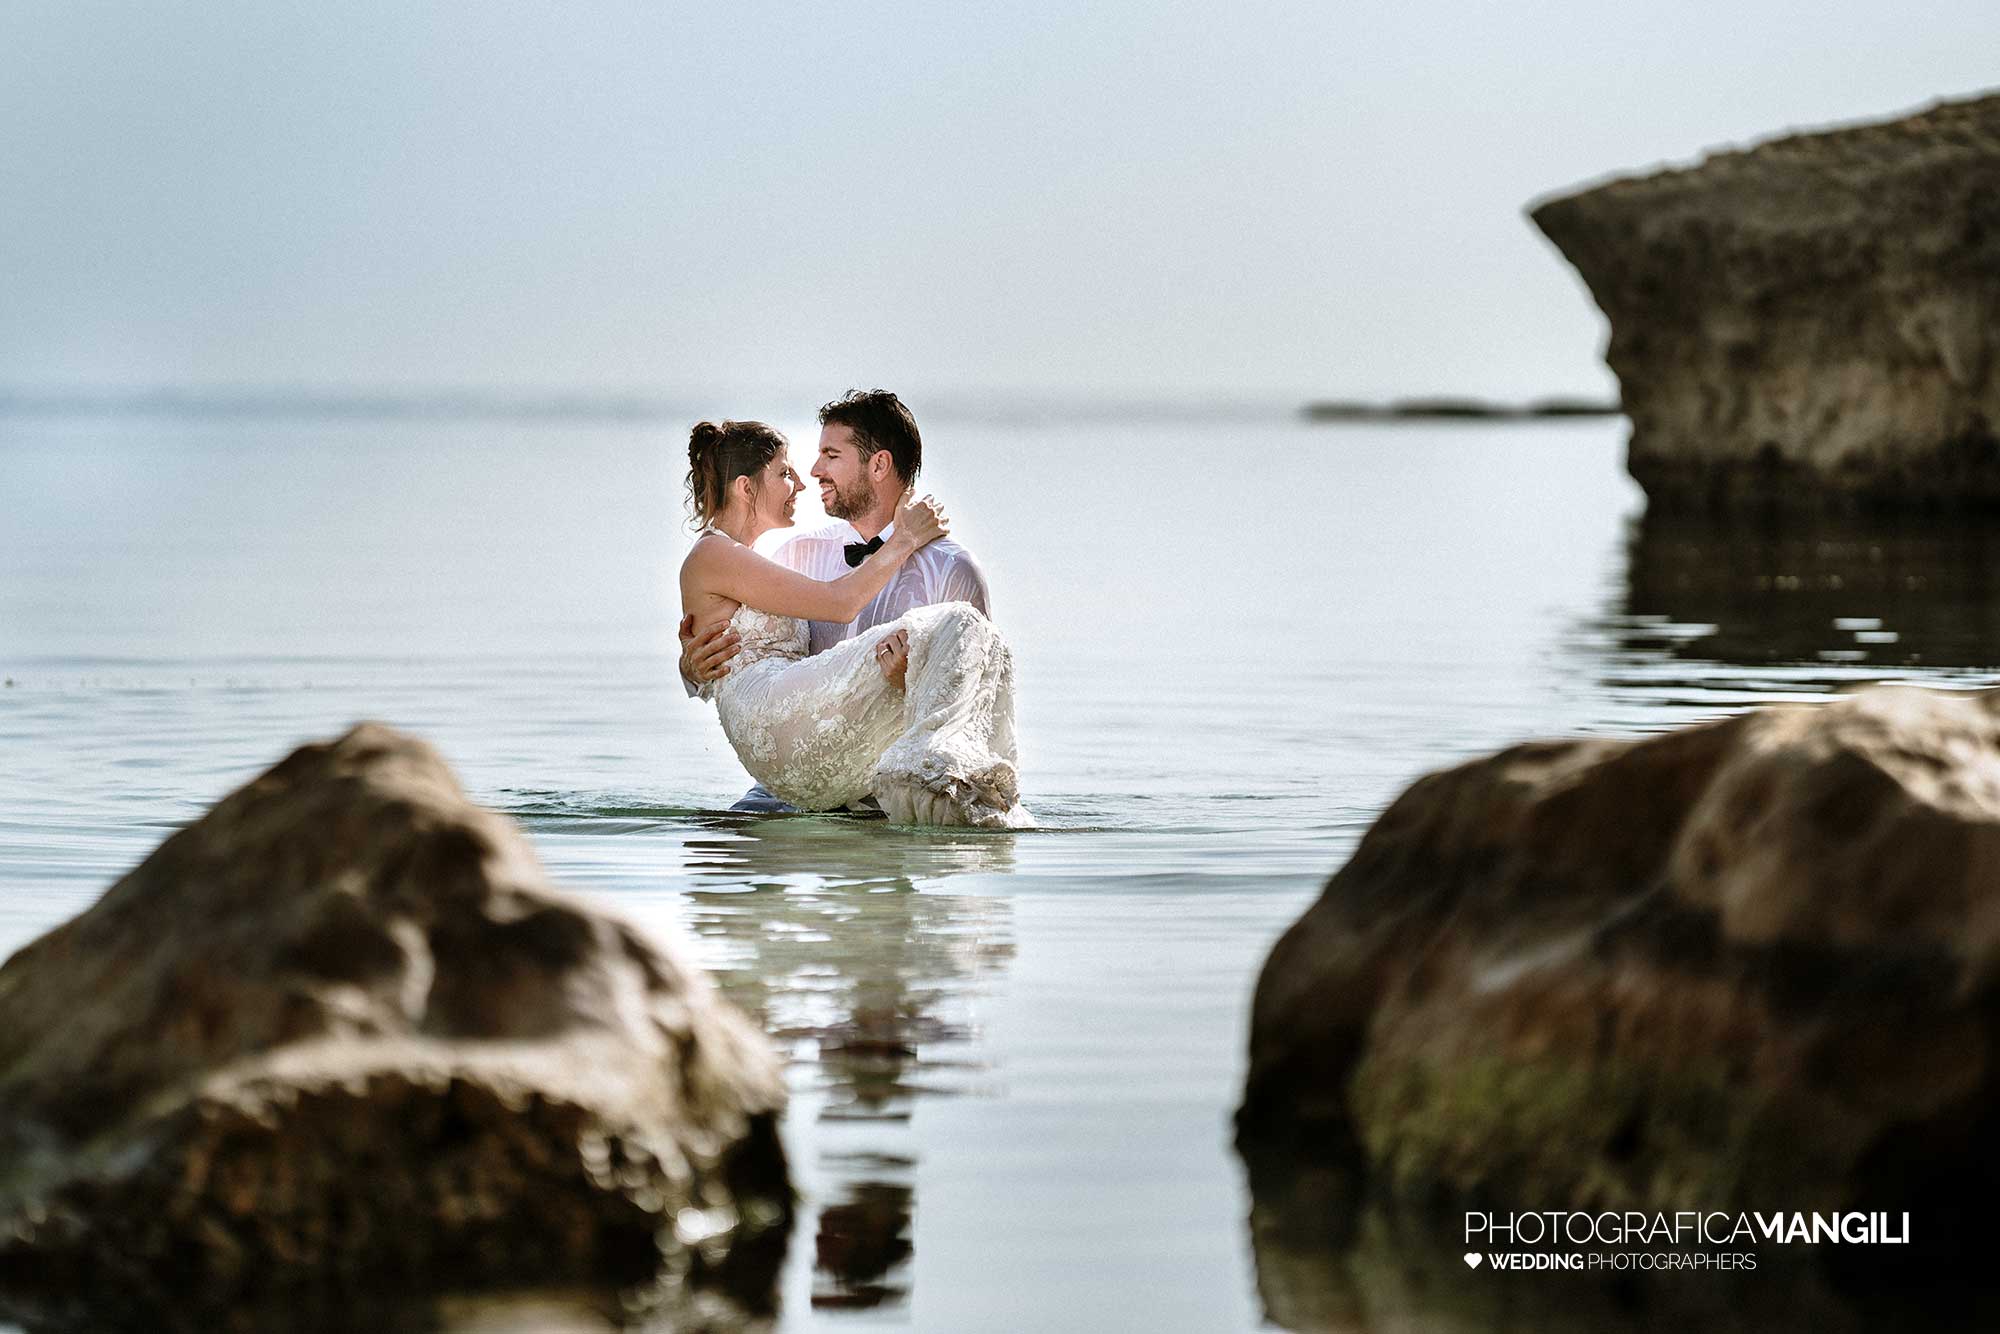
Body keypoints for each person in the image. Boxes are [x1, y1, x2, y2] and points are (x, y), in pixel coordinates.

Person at [677, 417, 1028, 827]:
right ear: (746, 487)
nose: (806, 479)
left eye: (830, 455)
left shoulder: (953, 568)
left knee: (964, 627)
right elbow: (837, 603)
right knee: (957, 624)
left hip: (853, 774)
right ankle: (935, 777)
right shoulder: (771, 554)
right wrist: (904, 541)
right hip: (782, 751)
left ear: (878, 465)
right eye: (785, 473)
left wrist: (912, 679)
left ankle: (954, 779)